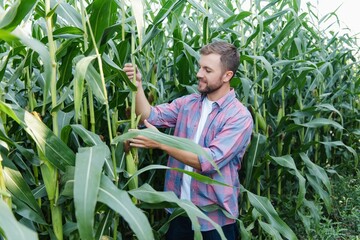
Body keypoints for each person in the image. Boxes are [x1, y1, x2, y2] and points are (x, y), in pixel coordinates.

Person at [124, 41, 253, 240]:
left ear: (227, 76)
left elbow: (209, 161)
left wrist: (160, 142)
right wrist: (138, 86)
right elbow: (149, 116)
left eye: (207, 70)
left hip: (214, 220)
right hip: (179, 212)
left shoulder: (239, 117)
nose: (199, 74)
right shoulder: (188, 103)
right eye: (200, 67)